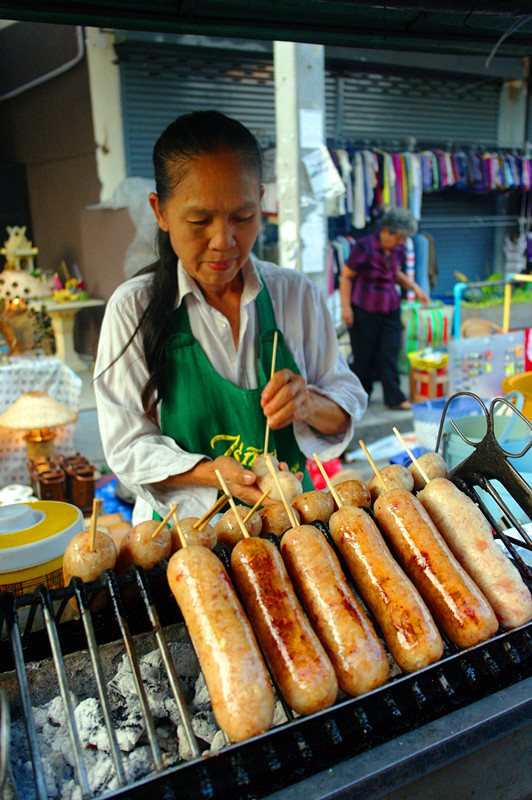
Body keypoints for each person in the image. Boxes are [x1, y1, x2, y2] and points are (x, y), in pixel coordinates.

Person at [94, 110, 367, 524]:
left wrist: (307, 402)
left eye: (242, 217)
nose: (224, 241)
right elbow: (127, 445)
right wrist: (208, 472)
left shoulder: (294, 295)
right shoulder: (133, 308)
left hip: (289, 526)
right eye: (199, 220)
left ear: (260, 201)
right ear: (161, 212)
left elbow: (345, 408)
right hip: (185, 532)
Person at [339, 207, 429, 410]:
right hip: (364, 308)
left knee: (390, 352)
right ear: (386, 230)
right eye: (398, 237)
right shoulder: (364, 247)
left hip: (390, 306)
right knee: (364, 356)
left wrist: (415, 288)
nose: (400, 242)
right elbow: (346, 277)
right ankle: (361, 397)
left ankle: (394, 398)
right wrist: (346, 309)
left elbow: (394, 273)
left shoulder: (397, 248)